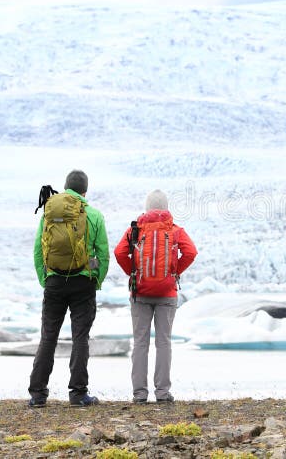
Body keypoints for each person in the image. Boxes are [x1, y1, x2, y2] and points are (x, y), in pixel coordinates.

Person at [28, 169, 109, 407]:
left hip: (54, 281)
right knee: (80, 338)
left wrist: (46, 279)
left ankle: (38, 394)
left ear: (65, 188)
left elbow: (37, 251)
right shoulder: (93, 214)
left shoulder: (49, 212)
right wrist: (96, 280)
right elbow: (102, 254)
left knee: (48, 337)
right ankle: (78, 393)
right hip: (83, 283)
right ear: (85, 191)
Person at [114, 189, 197, 403]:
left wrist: (133, 273)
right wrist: (174, 272)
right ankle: (162, 393)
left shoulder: (135, 230)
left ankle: (140, 394)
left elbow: (119, 252)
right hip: (167, 293)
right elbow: (191, 252)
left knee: (140, 342)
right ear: (166, 207)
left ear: (147, 207)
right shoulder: (176, 230)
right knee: (164, 342)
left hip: (140, 292)